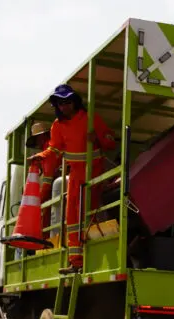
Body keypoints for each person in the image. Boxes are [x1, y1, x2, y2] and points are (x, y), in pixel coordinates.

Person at [30, 84, 116, 266]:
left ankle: (93, 252)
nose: (64, 106)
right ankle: (76, 260)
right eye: (60, 103)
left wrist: (98, 139)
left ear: (74, 102)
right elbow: (53, 149)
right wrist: (40, 156)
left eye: (67, 102)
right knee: (72, 216)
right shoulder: (58, 126)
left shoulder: (90, 118)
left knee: (87, 211)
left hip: (94, 170)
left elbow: (110, 141)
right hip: (76, 174)